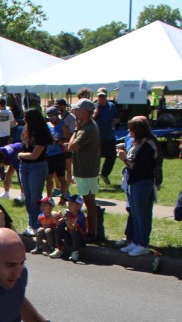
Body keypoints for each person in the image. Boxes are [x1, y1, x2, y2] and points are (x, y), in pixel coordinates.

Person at [116, 116, 159, 257]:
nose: (129, 131)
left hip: (143, 182)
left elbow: (138, 166)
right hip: (133, 181)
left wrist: (124, 158)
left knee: (142, 215)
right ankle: (135, 241)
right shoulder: (137, 143)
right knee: (134, 214)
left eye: (131, 129)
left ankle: (143, 244)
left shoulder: (148, 144)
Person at [67, 99, 102, 239]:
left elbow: (71, 147)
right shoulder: (87, 126)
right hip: (86, 170)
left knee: (89, 203)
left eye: (77, 109)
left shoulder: (87, 129)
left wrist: (75, 130)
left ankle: (91, 232)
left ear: (86, 112)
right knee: (89, 202)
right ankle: (91, 229)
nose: (74, 112)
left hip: (86, 171)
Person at [18, 107, 51, 236]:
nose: (24, 120)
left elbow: (34, 155)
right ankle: (31, 223)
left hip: (37, 166)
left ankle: (36, 225)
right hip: (24, 166)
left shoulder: (42, 133)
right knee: (27, 196)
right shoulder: (26, 131)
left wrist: (20, 154)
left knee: (35, 197)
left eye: (26, 118)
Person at [93, 88, 119, 185]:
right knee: (96, 159)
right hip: (97, 137)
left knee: (112, 157)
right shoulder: (94, 106)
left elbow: (117, 117)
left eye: (103, 96)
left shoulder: (112, 106)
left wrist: (116, 121)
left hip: (110, 136)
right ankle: (95, 180)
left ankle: (104, 174)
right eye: (99, 96)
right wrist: (95, 113)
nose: (101, 98)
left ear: (106, 96)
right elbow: (90, 119)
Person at [52, 195, 87, 261]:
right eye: (68, 204)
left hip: (80, 241)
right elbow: (58, 223)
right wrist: (55, 218)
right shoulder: (68, 214)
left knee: (74, 231)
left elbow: (72, 227)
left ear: (79, 206)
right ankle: (59, 249)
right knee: (57, 227)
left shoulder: (81, 216)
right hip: (70, 238)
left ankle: (75, 252)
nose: (68, 206)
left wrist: (65, 218)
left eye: (71, 205)